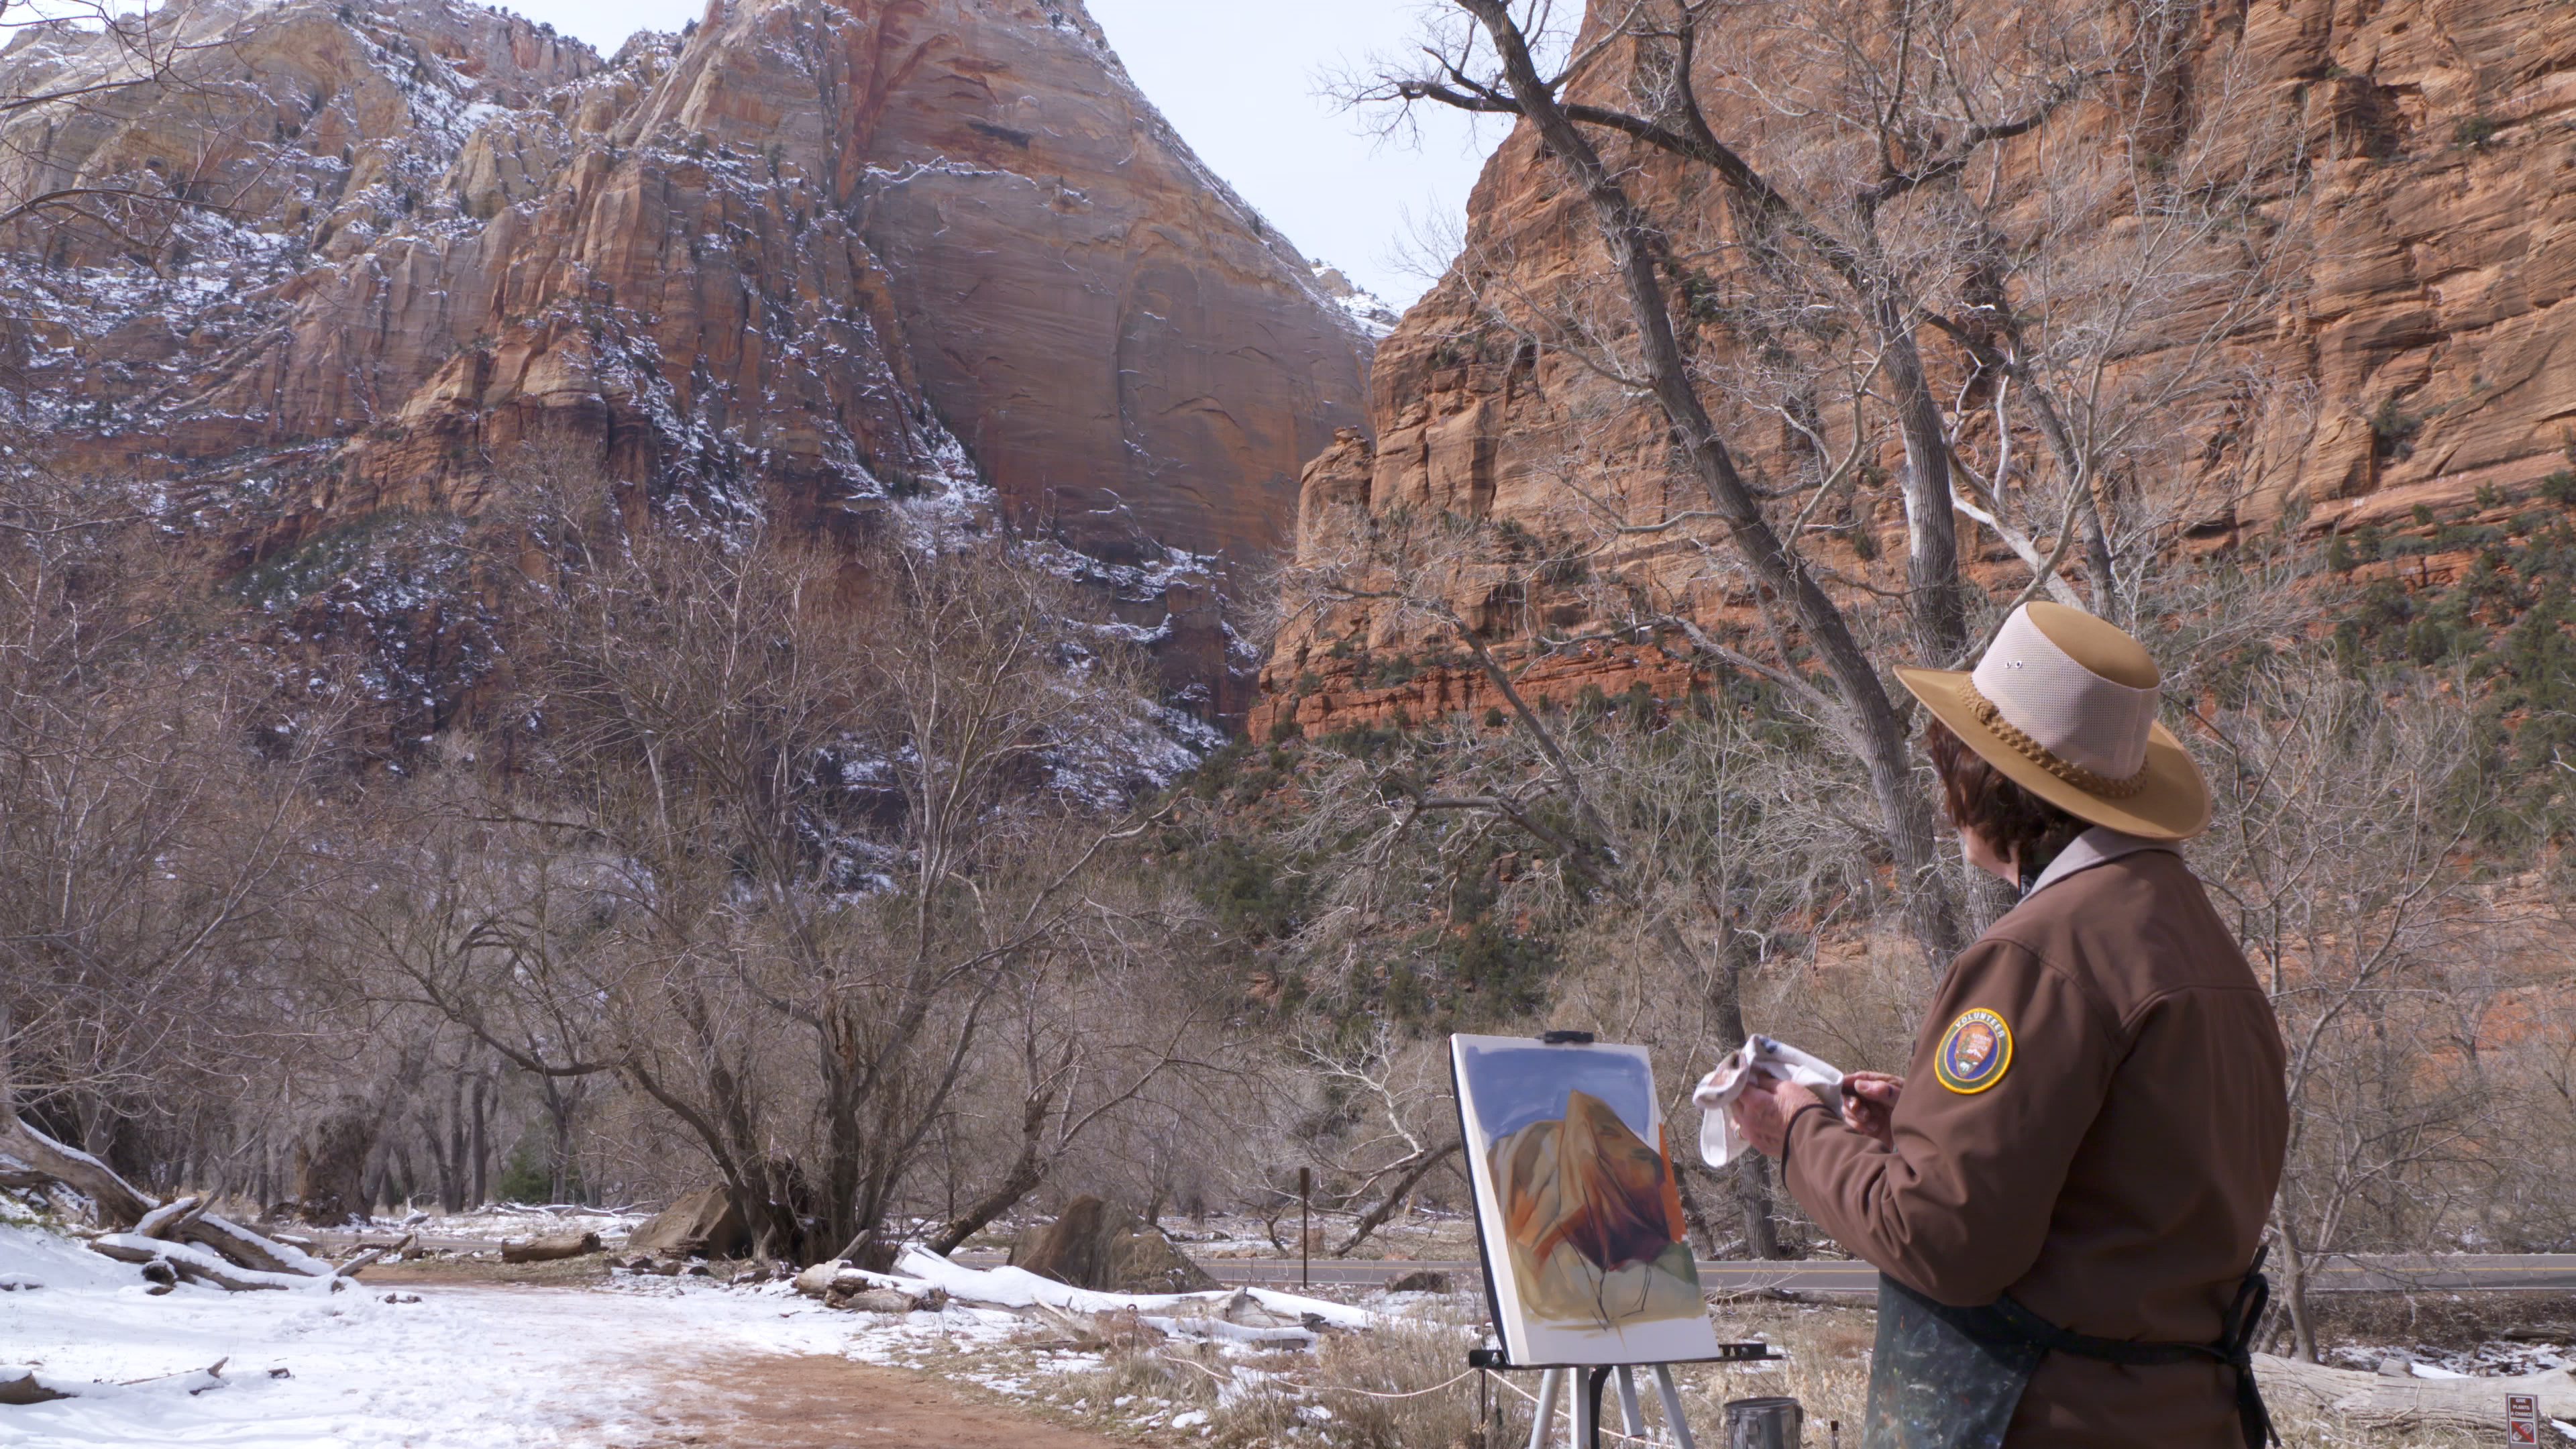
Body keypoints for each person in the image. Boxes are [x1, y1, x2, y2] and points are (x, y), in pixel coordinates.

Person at [1728, 602, 2290, 1449]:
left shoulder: (2040, 953)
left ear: (1990, 783)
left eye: (1951, 765)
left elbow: (1943, 1239)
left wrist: (1797, 1131)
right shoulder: (2195, 937)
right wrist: (1924, 1124)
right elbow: (2124, 1184)